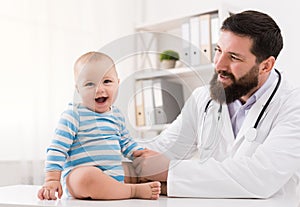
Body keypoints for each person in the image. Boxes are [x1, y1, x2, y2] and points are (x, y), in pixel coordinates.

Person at [132, 10, 300, 199]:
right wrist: (111, 148)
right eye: (218, 50)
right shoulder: (203, 98)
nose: (219, 65)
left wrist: (168, 172)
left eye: (234, 57)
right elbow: (163, 149)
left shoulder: (293, 105)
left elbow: (261, 177)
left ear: (266, 66)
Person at [37, 51, 161, 200]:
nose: (99, 89)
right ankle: (133, 191)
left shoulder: (116, 115)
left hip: (113, 176)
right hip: (81, 178)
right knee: (87, 177)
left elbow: (126, 142)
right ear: (78, 89)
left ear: (117, 83)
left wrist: (139, 153)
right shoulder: (73, 115)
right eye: (90, 84)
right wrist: (51, 179)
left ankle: (148, 186)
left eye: (107, 81)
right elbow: (57, 148)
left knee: (136, 168)